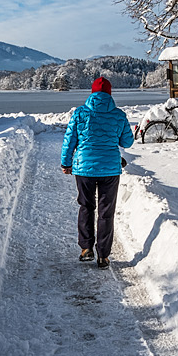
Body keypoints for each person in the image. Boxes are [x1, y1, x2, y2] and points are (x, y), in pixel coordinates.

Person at [61, 76, 136, 267]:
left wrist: (66, 163)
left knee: (86, 206)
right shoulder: (119, 115)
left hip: (84, 168)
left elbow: (69, 141)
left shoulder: (80, 113)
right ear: (110, 94)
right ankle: (103, 255)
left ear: (92, 93)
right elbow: (127, 142)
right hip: (110, 169)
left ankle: (86, 248)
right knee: (106, 212)